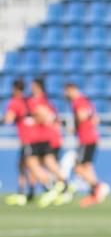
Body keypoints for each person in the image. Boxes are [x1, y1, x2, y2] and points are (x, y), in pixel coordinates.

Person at [28, 78, 74, 208]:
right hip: (49, 138)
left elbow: (44, 117)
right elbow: (54, 118)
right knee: (48, 163)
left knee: (33, 164)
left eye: (33, 86)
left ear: (38, 87)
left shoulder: (36, 101)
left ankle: (53, 188)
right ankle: (63, 186)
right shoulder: (46, 101)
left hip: (41, 138)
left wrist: (32, 119)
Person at [64, 83, 111, 208]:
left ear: (72, 90)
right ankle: (95, 194)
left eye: (66, 91)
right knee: (87, 166)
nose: (65, 95)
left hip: (86, 139)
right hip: (92, 137)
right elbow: (96, 119)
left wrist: (75, 126)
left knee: (78, 168)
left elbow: (82, 116)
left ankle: (98, 186)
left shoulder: (78, 102)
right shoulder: (86, 100)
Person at [3, 79, 40, 206]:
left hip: (26, 139)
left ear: (14, 89)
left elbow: (8, 119)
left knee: (29, 165)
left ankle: (48, 187)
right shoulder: (29, 101)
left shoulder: (15, 102)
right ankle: (28, 191)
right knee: (24, 165)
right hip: (36, 137)